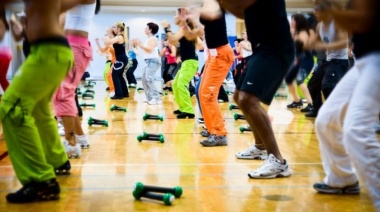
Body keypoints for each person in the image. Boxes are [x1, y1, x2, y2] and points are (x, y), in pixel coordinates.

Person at [0, 0, 82, 203]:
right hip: (49, 52)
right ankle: (57, 160)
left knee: (12, 107)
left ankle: (40, 181)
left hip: (49, 52)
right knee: (38, 111)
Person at [312, 0, 380, 209]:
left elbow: (363, 21)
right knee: (325, 120)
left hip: (376, 61)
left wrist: (328, 10)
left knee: (356, 129)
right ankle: (343, 179)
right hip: (362, 62)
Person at [232, 0, 295, 178]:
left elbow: (237, 6)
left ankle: (278, 161)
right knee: (238, 97)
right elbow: (239, 11)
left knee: (248, 99)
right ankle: (260, 147)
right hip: (261, 49)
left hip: (276, 48)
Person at [53, 0, 99, 159]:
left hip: (76, 46)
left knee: (63, 93)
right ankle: (79, 137)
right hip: (69, 44)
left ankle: (71, 143)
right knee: (66, 93)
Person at [197, 0, 235, 146]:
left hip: (221, 55)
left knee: (208, 94)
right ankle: (211, 127)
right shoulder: (207, 4)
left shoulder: (214, 4)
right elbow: (200, 30)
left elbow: (210, 15)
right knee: (202, 92)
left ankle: (219, 133)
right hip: (214, 55)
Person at [306, 1, 349, 117]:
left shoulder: (337, 24)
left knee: (328, 85)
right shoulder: (319, 26)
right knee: (312, 85)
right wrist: (311, 43)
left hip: (340, 61)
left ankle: (336, 113)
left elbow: (344, 42)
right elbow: (318, 41)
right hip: (328, 61)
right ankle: (318, 110)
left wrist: (324, 46)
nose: (314, 12)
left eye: (317, 10)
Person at [163, 8, 202, 118]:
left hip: (190, 63)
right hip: (186, 62)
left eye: (176, 14)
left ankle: (189, 110)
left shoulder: (185, 28)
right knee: (175, 84)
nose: (174, 17)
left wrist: (167, 28)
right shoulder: (183, 29)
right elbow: (174, 41)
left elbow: (172, 38)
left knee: (181, 84)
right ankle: (183, 107)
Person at [134, 22, 161, 105]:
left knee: (149, 79)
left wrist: (139, 44)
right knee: (144, 79)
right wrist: (140, 44)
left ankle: (157, 99)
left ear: (150, 30)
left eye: (146, 28)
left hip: (153, 61)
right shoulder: (149, 39)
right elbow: (147, 50)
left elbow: (149, 49)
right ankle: (149, 97)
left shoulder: (153, 38)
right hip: (149, 61)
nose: (145, 29)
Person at [104, 22, 129, 99]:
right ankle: (124, 93)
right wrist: (110, 34)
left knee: (115, 75)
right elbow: (111, 39)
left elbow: (108, 42)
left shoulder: (119, 37)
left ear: (119, 29)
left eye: (114, 27)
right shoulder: (119, 36)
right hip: (121, 59)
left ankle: (118, 94)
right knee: (119, 75)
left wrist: (107, 34)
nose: (113, 28)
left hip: (120, 60)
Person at [0, 6, 11, 91]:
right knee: (2, 78)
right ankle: (11, 98)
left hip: (1, 53)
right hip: (7, 52)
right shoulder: (4, 21)